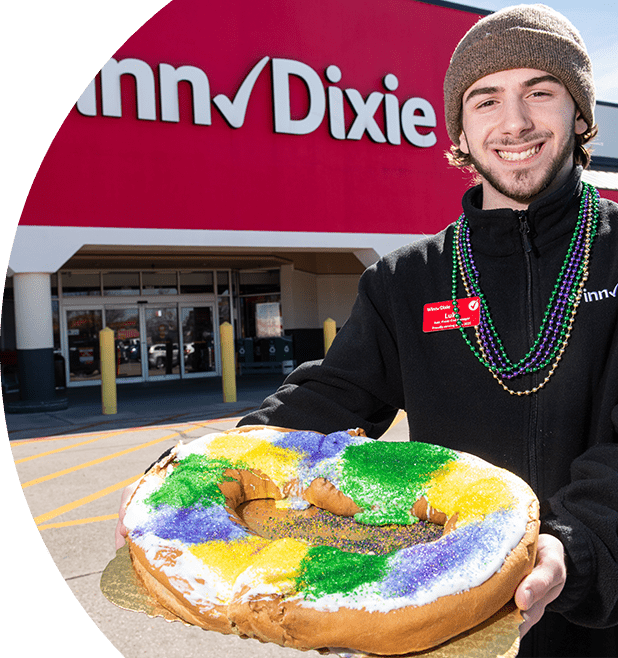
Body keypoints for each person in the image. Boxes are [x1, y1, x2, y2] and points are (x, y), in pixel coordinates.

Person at [116, 5, 617, 656]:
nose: (514, 121)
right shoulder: (406, 281)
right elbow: (326, 405)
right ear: (461, 131)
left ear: (579, 115)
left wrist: (569, 547)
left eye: (540, 92)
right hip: (441, 611)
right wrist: (198, 473)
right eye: (486, 99)